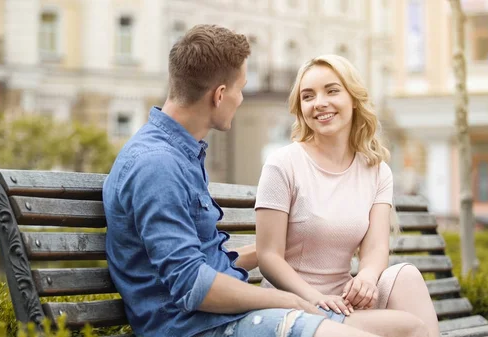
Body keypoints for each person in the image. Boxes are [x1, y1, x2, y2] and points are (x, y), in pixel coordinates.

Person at [103, 24, 402, 337]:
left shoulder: (178, 153)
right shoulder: (158, 165)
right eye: (240, 88)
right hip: (198, 328)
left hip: (220, 319)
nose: (241, 98)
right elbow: (192, 284)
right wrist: (287, 300)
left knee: (410, 328)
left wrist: (285, 245)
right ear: (220, 95)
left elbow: (201, 257)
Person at [255, 54, 440, 337]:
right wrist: (314, 298)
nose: (319, 103)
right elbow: (268, 256)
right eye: (308, 96)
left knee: (406, 276)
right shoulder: (283, 164)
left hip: (345, 303)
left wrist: (366, 276)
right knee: (413, 330)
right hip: (295, 305)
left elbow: (376, 248)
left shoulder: (377, 171)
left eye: (332, 91)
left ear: (353, 98)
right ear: (300, 107)